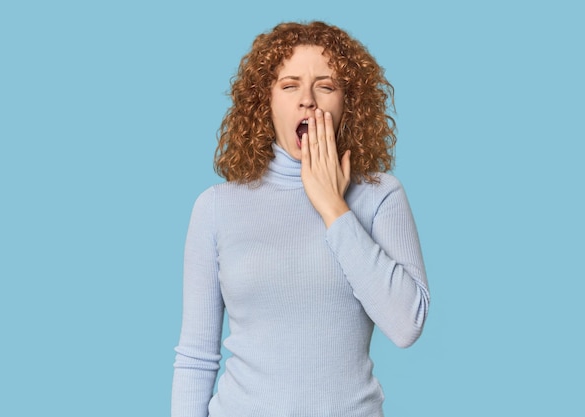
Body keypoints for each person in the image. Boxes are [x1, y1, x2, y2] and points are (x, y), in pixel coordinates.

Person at [171, 20, 430, 417]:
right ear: (266, 103)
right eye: (289, 86)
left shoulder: (381, 196)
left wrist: (333, 207)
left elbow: (406, 325)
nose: (307, 99)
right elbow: (195, 357)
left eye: (326, 86)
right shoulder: (215, 208)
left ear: (349, 104)